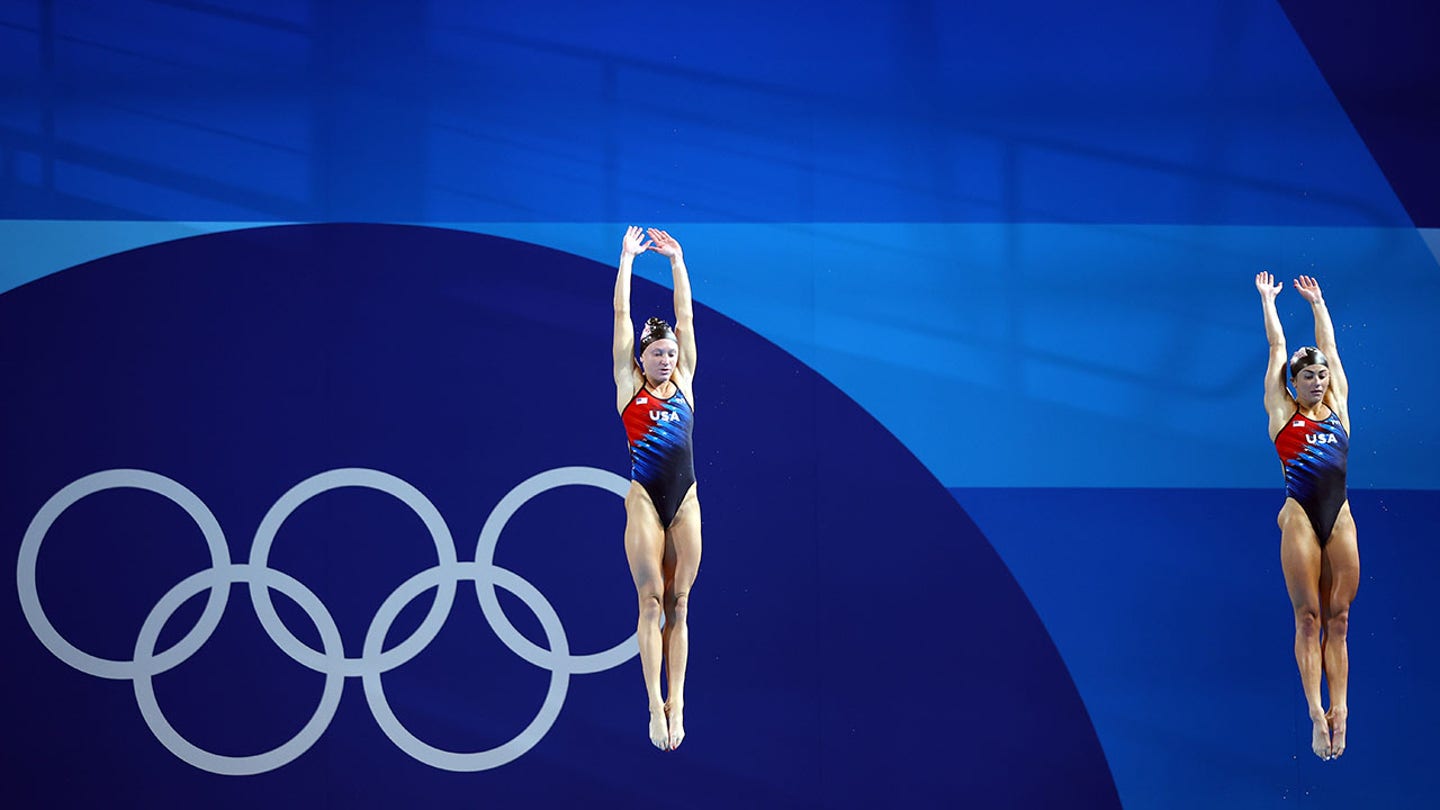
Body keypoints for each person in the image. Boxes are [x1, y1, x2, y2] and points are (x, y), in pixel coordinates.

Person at [1255, 271, 1359, 760]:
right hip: (1299, 515)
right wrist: (1269, 301)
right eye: (1308, 378)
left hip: (1339, 515)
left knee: (1338, 620)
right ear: (1292, 385)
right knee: (1308, 617)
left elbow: (1332, 350)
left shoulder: (1338, 406)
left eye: (1321, 377)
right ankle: (1316, 715)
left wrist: (1319, 304)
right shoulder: (1282, 413)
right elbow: (1277, 348)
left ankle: (1342, 711)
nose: (1318, 383)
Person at [613, 226, 702, 751]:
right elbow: (622, 319)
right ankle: (653, 705)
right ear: (641, 359)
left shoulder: (686, 382)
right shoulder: (629, 388)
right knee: (651, 602)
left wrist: (677, 263)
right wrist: (626, 260)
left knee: (681, 603)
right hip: (645, 499)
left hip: (686, 498)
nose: (667, 360)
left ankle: (680, 704)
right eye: (658, 354)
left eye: (672, 353)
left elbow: (686, 316)